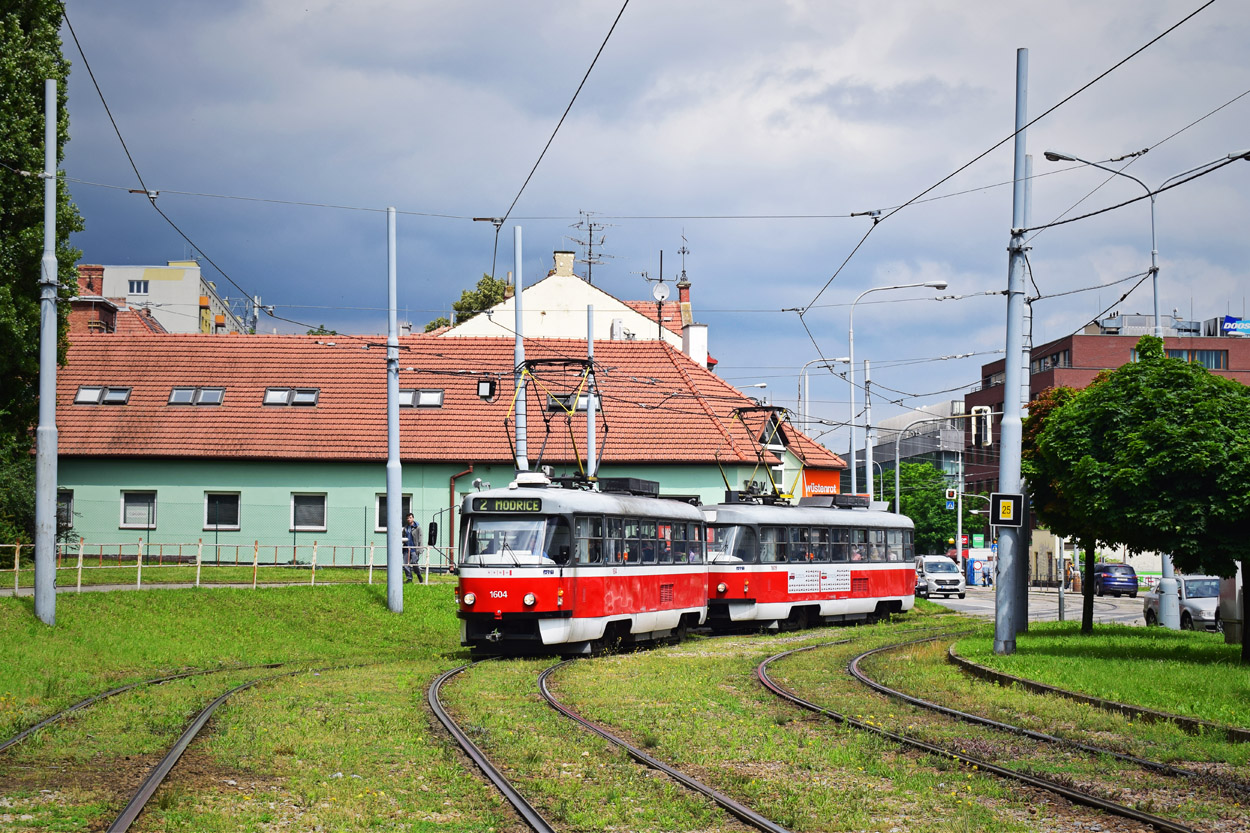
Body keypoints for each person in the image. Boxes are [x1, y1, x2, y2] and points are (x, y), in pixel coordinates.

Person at [403, 512, 421, 583]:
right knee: (406, 564)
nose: (409, 519)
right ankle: (409, 578)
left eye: (410, 518)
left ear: (413, 518)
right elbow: (403, 536)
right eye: (407, 518)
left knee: (414, 563)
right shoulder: (405, 528)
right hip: (406, 548)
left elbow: (420, 539)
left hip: (414, 549)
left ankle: (418, 574)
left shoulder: (417, 528)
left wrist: (420, 549)